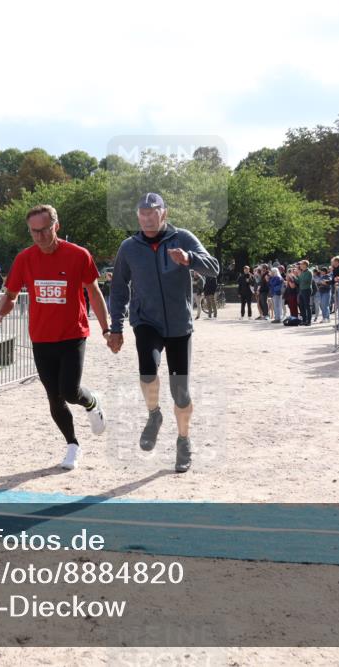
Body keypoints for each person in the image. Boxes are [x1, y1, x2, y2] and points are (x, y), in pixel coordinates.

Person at [0, 204, 107, 470]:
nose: (39, 237)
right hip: (41, 338)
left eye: (44, 230)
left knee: (70, 391)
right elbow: (11, 295)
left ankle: (92, 401)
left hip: (73, 334)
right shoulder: (24, 259)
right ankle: (72, 445)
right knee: (54, 397)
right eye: (33, 232)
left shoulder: (78, 255)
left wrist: (107, 329)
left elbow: (94, 292)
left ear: (56, 226)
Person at [107, 193, 220, 473]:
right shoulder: (129, 247)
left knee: (180, 392)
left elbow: (214, 267)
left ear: (164, 214)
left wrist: (189, 258)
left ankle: (184, 441)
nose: (147, 218)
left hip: (180, 325)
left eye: (152, 213)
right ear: (138, 217)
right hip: (147, 322)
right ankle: (154, 415)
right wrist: (116, 328)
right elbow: (119, 289)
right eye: (142, 214)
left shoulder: (182, 238)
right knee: (147, 370)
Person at [296, 260, 314, 325]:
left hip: (306, 290)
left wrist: (299, 276)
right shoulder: (302, 272)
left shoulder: (309, 272)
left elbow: (307, 281)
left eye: (301, 264)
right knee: (301, 306)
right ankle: (304, 320)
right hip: (301, 290)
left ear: (305, 265)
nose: (300, 265)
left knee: (307, 306)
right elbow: (299, 281)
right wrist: (294, 277)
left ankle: (309, 321)